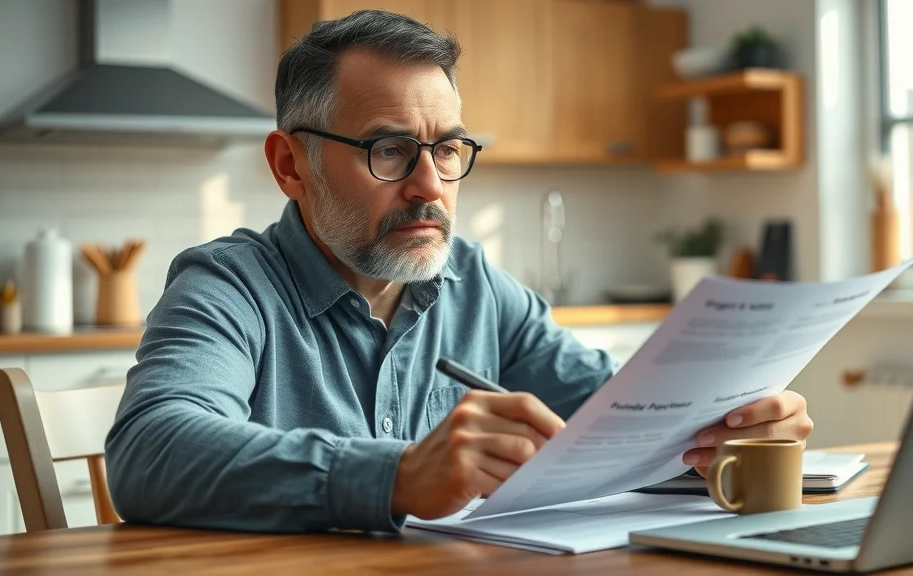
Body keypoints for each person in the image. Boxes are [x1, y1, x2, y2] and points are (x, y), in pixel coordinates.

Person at [104, 10, 813, 533]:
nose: (429, 186)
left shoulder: (477, 285)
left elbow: (617, 423)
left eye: (447, 149)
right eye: (388, 149)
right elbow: (148, 451)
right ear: (291, 164)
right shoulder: (230, 287)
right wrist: (397, 475)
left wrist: (722, 433)